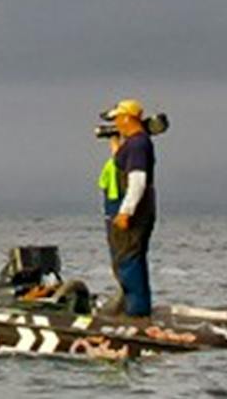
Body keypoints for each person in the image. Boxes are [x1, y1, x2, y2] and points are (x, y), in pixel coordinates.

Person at [100, 97, 157, 317]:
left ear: (127, 117)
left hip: (133, 214)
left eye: (117, 119)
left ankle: (137, 313)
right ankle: (131, 306)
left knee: (129, 260)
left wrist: (126, 212)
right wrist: (115, 143)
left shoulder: (137, 144)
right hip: (129, 210)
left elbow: (137, 180)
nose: (117, 123)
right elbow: (122, 164)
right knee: (124, 260)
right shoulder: (133, 144)